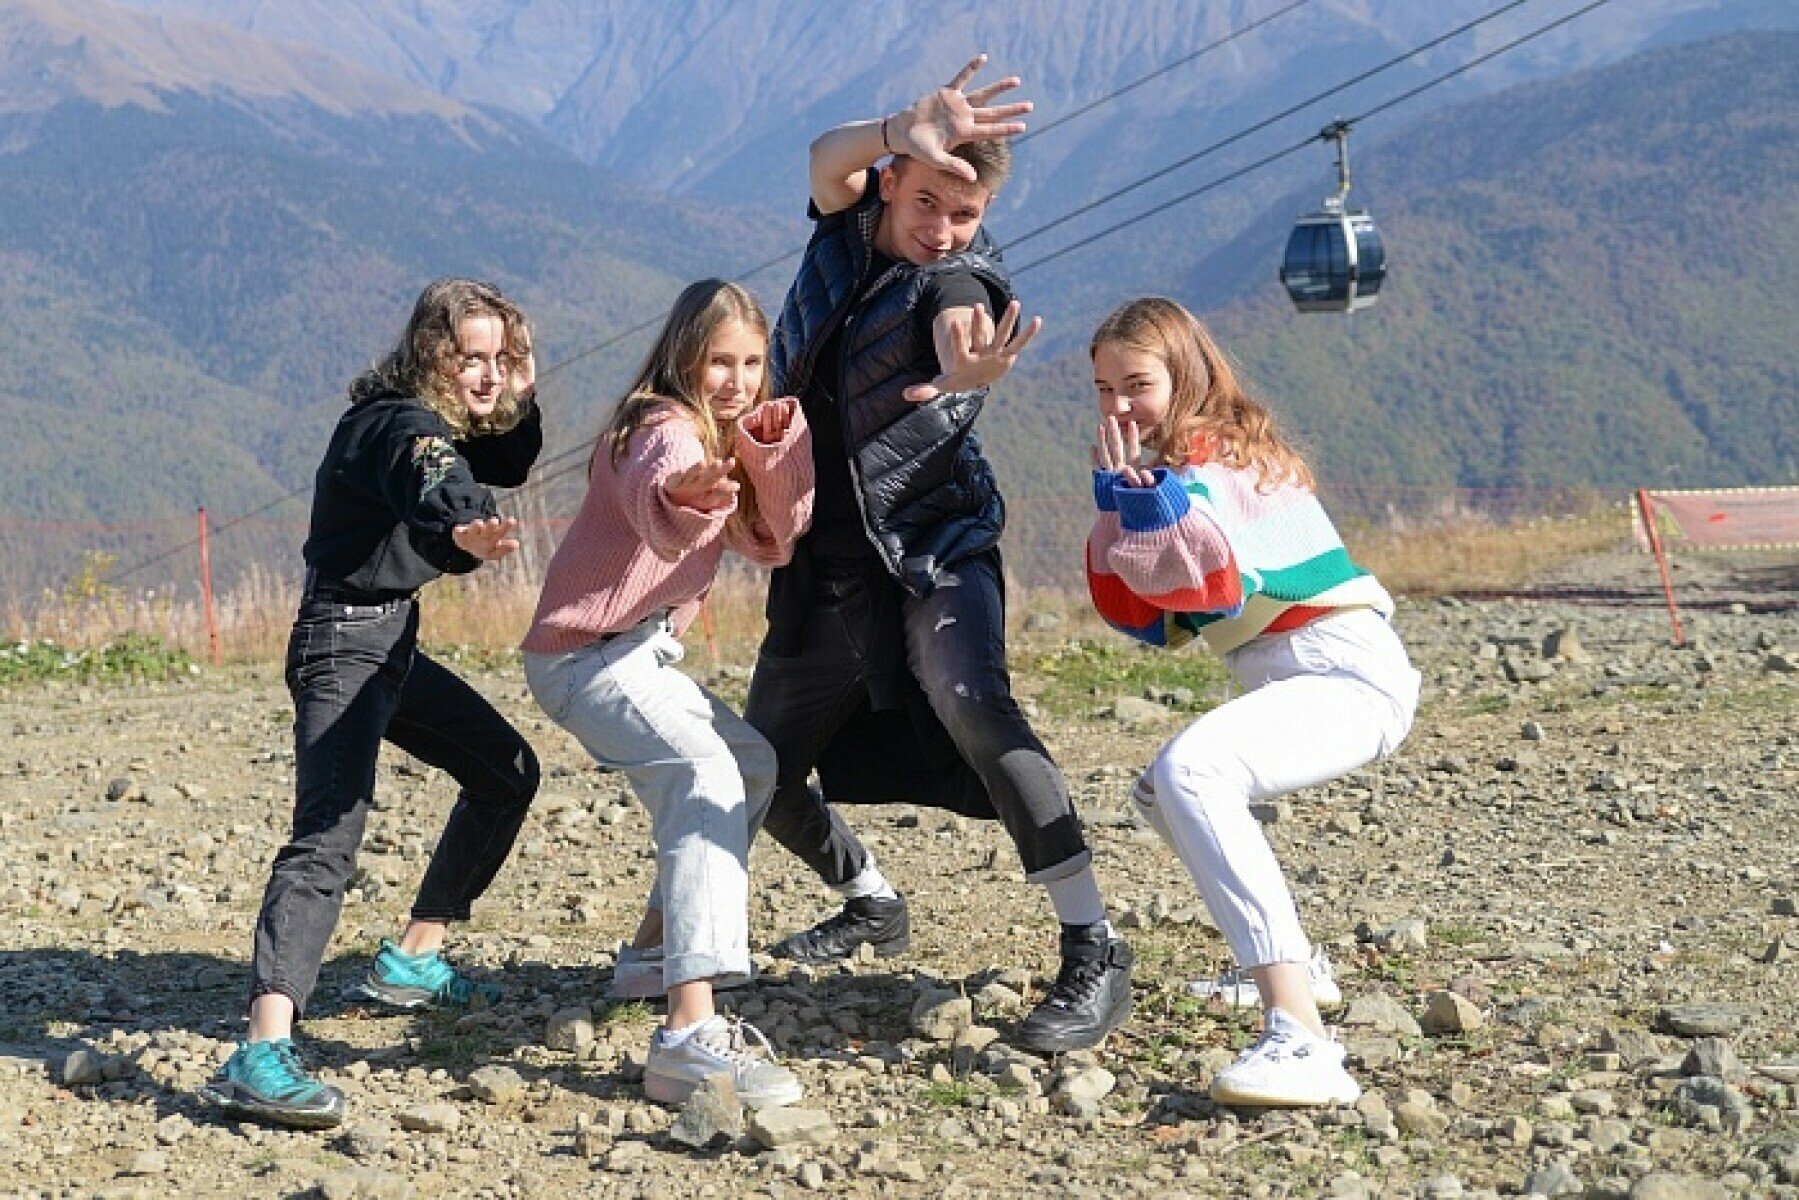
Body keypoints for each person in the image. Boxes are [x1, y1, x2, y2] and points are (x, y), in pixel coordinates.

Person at [744, 53, 1135, 1054]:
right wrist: (892, 126)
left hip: (934, 549)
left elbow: (963, 309)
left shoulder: (961, 278)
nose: (941, 229)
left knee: (975, 707)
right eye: (925, 202)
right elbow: (824, 158)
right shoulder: (842, 228)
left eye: (964, 213)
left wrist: (966, 364)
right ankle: (870, 900)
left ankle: (1094, 947)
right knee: (757, 770)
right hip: (829, 564)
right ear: (890, 183)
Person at [200, 279, 545, 1129]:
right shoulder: (395, 424)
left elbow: (499, 460)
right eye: (471, 357)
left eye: (500, 357)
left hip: (389, 642)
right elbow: (434, 474)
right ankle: (259, 1051)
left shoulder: (432, 418)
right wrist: (464, 526)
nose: (487, 374)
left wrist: (520, 396)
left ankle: (415, 960)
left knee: (506, 770)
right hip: (340, 644)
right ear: (431, 353)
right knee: (328, 834)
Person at [1084, 296, 1420, 1107]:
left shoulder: (1221, 460)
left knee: (1191, 774)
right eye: (1103, 389)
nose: (1119, 406)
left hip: (1344, 674)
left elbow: (1200, 577)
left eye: (1137, 384)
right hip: (1311, 673)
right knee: (1161, 793)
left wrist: (1136, 508)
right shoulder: (1185, 468)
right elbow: (1148, 613)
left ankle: (1302, 1037)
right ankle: (1295, 968)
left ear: (1185, 376)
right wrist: (1126, 506)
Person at [521, 280, 809, 1109]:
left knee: (748, 765)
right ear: (684, 355)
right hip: (586, 658)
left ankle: (653, 953)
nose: (737, 381)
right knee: (704, 775)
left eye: (751, 363)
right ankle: (688, 1034)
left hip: (635, 655)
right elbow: (663, 496)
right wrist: (683, 496)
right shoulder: (661, 427)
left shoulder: (720, 436)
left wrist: (768, 453)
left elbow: (773, 539)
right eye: (719, 361)